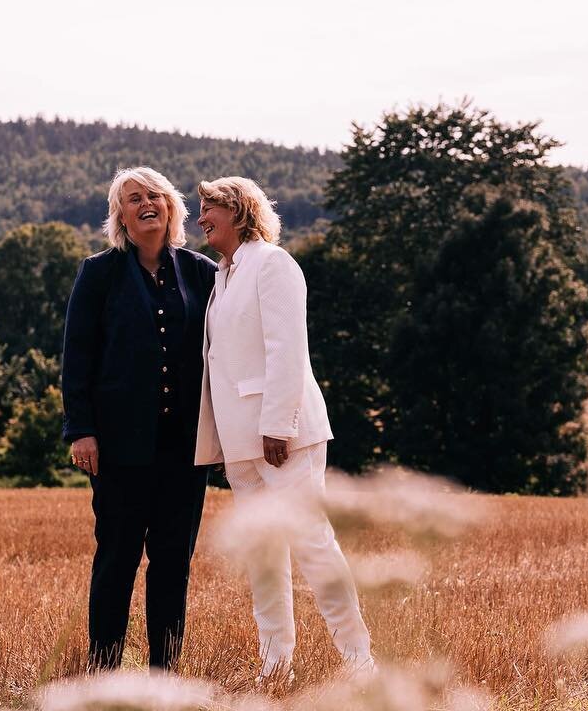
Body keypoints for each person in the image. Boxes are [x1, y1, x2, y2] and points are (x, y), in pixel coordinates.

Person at [194, 176, 372, 681]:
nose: (200, 217)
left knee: (313, 544)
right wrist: (229, 443)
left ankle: (361, 665)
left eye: (209, 208)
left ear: (240, 211)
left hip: (284, 436)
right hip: (240, 442)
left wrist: (277, 425)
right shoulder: (223, 274)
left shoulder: (273, 264)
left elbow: (287, 350)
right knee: (263, 555)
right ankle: (275, 667)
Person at [61, 167, 217, 672]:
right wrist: (81, 430)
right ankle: (104, 672)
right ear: (121, 216)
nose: (146, 203)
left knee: (173, 563)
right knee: (117, 560)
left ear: (171, 207)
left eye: (155, 195)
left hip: (184, 449)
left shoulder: (202, 273)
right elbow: (77, 356)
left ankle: (164, 675)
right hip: (119, 447)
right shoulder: (98, 272)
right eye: (133, 198)